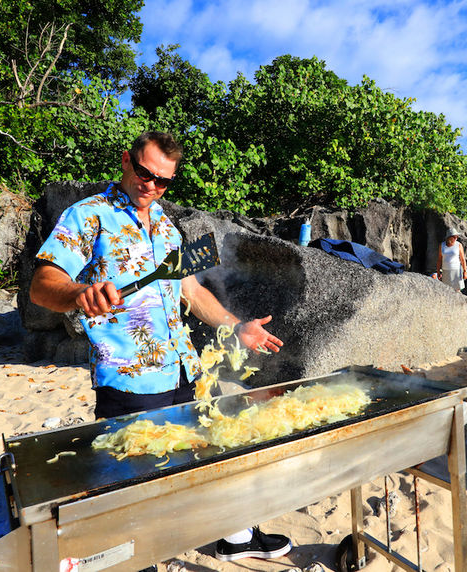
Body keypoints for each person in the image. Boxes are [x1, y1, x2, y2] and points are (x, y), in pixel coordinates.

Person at [29, 131, 291, 563]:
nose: (151, 184)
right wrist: (79, 294)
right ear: (126, 162)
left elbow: (189, 289)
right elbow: (42, 285)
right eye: (145, 172)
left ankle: (235, 536)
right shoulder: (88, 215)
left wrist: (237, 326)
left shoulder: (168, 226)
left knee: (207, 446)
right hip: (130, 376)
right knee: (134, 479)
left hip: (183, 367)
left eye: (163, 180)